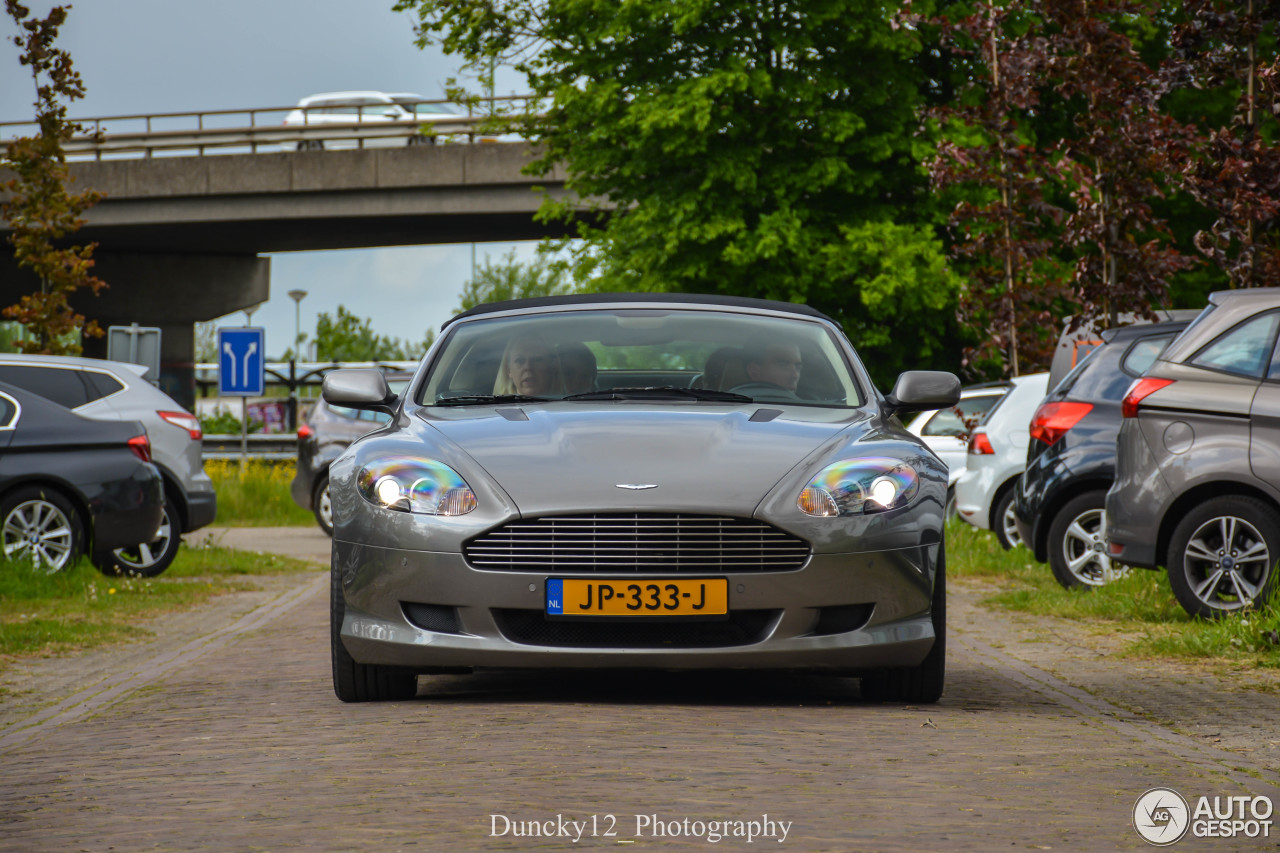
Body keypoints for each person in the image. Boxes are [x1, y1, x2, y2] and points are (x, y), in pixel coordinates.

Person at [494, 336, 562, 396]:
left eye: (536, 359)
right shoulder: (493, 409)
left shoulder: (568, 407)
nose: (528, 367)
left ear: (551, 366)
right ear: (508, 370)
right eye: (519, 361)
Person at [734, 343, 803, 395]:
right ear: (754, 371)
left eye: (798, 367)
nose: (795, 376)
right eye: (782, 365)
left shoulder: (809, 409)